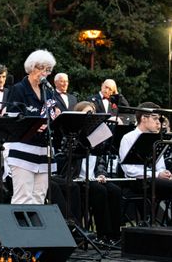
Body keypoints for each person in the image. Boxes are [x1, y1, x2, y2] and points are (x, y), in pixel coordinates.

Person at [5, 49, 60, 204]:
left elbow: (50, 115)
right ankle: (18, 228)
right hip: (23, 149)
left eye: (48, 70)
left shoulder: (48, 92)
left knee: (39, 198)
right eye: (42, 68)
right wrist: (34, 125)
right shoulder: (18, 89)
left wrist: (55, 115)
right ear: (32, 67)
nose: (45, 73)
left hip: (44, 150)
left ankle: (35, 228)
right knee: (23, 197)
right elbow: (12, 120)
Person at [119, 102, 172, 226]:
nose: (158, 123)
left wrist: (163, 173)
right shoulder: (128, 138)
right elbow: (129, 170)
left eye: (159, 119)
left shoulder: (156, 139)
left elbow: (160, 165)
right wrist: (156, 174)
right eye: (155, 118)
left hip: (153, 180)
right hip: (137, 182)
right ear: (143, 118)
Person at [74, 101, 121, 243]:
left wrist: (101, 174)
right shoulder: (73, 133)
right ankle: (102, 234)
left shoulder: (97, 134)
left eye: (93, 113)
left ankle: (115, 234)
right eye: (87, 113)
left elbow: (100, 160)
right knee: (99, 191)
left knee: (115, 190)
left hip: (93, 177)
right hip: (78, 179)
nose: (91, 116)